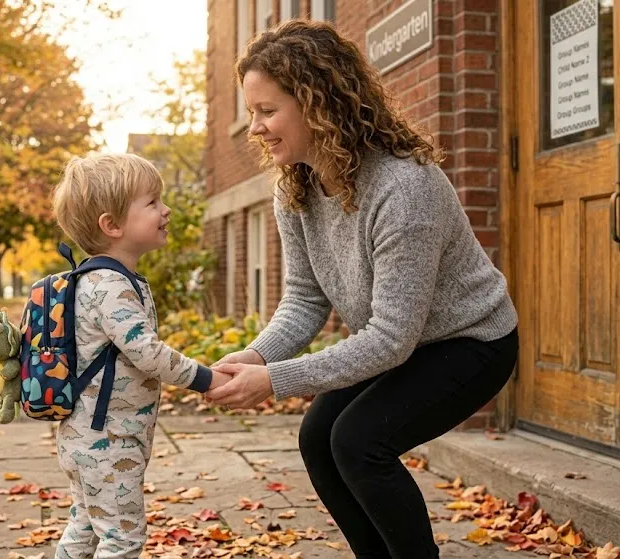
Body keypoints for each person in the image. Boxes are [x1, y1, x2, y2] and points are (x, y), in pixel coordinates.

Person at [206, 20, 519, 559]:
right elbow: (305, 299)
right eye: (251, 112)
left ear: (318, 103)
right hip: (401, 341)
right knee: (317, 438)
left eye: (267, 110)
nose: (255, 127)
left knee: (358, 442)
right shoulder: (296, 186)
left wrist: (274, 379)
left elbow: (392, 340)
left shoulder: (404, 189)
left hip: (471, 342)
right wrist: (258, 355)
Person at [50, 153, 229, 559]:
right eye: (152, 202)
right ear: (112, 225)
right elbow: (147, 353)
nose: (165, 210)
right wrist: (206, 378)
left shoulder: (100, 279)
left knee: (85, 527)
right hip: (107, 440)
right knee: (122, 539)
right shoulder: (110, 285)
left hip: (91, 434)